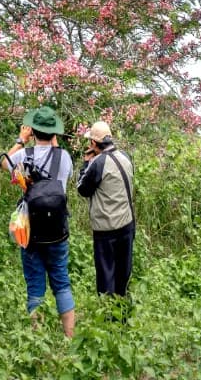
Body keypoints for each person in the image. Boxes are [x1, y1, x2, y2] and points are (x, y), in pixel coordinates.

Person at [0, 106, 75, 338]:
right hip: (58, 231)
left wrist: (21, 140)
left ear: (33, 131)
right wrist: (53, 143)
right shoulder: (64, 157)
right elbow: (63, 178)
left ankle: (36, 337)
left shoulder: (24, 156)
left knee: (35, 284)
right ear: (54, 133)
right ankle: (70, 337)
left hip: (30, 231)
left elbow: (3, 162)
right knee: (61, 281)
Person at [76, 120, 135, 313]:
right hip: (126, 224)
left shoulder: (97, 163)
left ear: (93, 144)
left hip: (106, 229)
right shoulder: (125, 157)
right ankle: (122, 315)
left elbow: (82, 189)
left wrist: (86, 163)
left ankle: (108, 319)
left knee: (106, 275)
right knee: (122, 274)